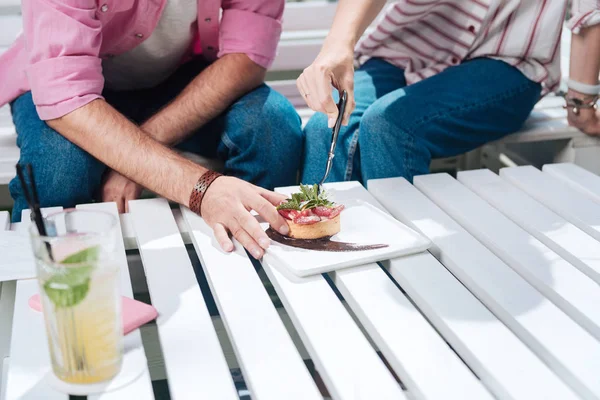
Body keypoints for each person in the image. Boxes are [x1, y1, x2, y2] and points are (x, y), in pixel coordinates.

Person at [0, 0, 302, 258]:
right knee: (58, 171)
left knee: (273, 128)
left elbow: (247, 55)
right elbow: (66, 95)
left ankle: (242, 284)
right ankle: (48, 308)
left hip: (172, 75)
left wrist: (134, 161)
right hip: (64, 85)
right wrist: (202, 188)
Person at [299, 0, 599, 186]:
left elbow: (590, 12)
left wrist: (581, 100)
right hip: (409, 47)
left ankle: (402, 277)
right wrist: (337, 47)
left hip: (506, 60)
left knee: (389, 125)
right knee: (325, 127)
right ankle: (323, 269)